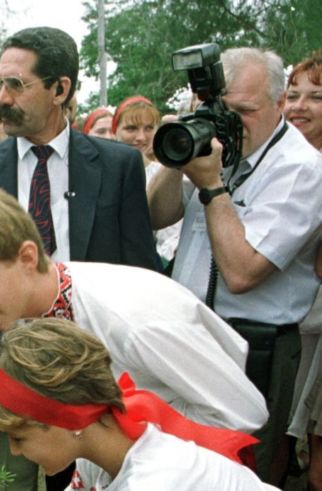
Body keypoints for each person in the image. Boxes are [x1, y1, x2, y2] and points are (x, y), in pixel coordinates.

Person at [0, 26, 161, 491]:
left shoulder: (118, 165)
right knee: (9, 480)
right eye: (0, 83)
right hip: (2, 368)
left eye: (16, 85)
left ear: (60, 89)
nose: (1, 97)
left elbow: (141, 272)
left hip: (90, 373)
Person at [0, 185, 267, 429]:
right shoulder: (28, 317)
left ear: (28, 257)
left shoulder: (130, 319)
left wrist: (124, 438)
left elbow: (242, 413)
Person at [148, 47, 322, 484]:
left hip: (254, 348)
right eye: (220, 109)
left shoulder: (302, 169)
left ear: (280, 103)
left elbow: (242, 272)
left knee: (239, 476)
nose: (230, 121)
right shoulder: (216, 146)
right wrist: (176, 156)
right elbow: (155, 216)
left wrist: (210, 185)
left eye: (244, 110)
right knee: (183, 467)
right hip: (188, 336)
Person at [0, 317, 278, 490]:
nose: (15, 452)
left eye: (19, 437)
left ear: (65, 420)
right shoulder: (97, 453)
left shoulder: (155, 480)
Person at [284, 52, 322, 491]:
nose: (299, 106)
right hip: (289, 326)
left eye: (315, 97)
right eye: (293, 95)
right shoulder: (272, 163)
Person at [113, 95, 180, 264]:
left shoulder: (162, 174)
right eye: (131, 128)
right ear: (116, 131)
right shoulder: (103, 172)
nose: (141, 137)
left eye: (149, 128)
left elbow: (170, 233)